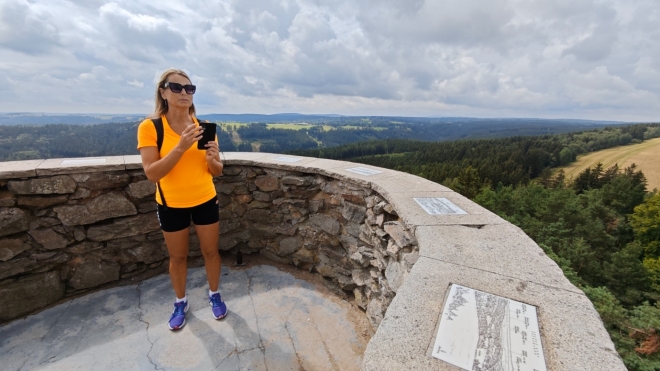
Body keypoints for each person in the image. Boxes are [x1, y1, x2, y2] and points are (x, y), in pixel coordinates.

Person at [137, 68, 227, 331]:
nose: (184, 93)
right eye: (176, 87)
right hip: (171, 204)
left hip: (205, 199)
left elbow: (217, 171)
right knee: (178, 257)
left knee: (211, 251)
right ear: (163, 92)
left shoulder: (203, 128)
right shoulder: (151, 127)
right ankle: (180, 301)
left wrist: (213, 160)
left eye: (189, 88)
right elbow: (152, 173)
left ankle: (214, 294)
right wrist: (180, 146)